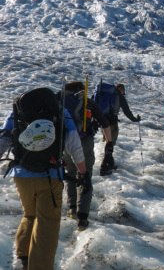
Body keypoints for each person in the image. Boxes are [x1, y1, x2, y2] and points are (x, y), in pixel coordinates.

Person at [0, 87, 88, 270]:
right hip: (50, 177)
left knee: (30, 214)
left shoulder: (17, 113)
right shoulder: (60, 112)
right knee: (47, 222)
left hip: (21, 176)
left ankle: (25, 258)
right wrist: (84, 174)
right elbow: (75, 147)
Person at [57, 81, 113, 231]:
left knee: (70, 173)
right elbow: (104, 123)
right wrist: (109, 142)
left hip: (65, 142)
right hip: (84, 141)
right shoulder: (87, 102)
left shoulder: (59, 100)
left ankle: (72, 208)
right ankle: (83, 218)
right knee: (85, 175)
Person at [100, 83, 140, 175]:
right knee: (110, 143)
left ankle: (110, 163)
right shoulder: (118, 96)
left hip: (101, 121)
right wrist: (135, 119)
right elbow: (127, 111)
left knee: (108, 142)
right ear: (122, 90)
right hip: (112, 122)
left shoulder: (102, 94)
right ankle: (104, 167)